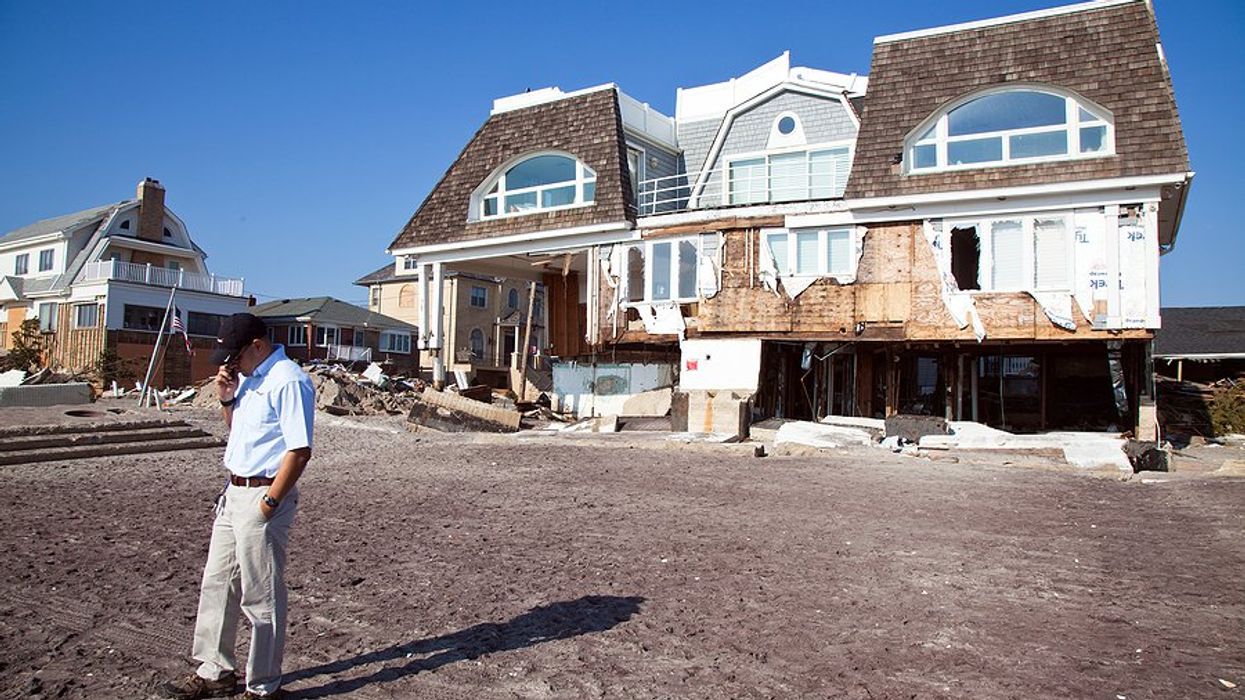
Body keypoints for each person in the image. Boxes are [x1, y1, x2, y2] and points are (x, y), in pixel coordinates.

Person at [161, 313, 314, 700]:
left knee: (261, 596)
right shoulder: (249, 379)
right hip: (233, 494)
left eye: (236, 355)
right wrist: (227, 398)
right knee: (216, 584)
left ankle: (264, 685)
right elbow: (239, 433)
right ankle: (215, 671)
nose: (230, 363)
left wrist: (269, 502)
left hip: (263, 495)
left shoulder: (288, 380)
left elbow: (299, 450)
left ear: (258, 346)